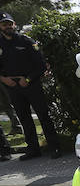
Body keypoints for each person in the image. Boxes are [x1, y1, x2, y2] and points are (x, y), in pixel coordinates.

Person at [0, 11, 61, 160]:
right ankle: (33, 149)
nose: (7, 26)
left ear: (14, 25)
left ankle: (55, 147)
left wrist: (27, 80)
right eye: (4, 24)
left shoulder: (26, 41)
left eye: (10, 23)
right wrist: (3, 79)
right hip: (12, 87)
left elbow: (41, 65)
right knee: (24, 118)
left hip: (31, 84)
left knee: (43, 116)